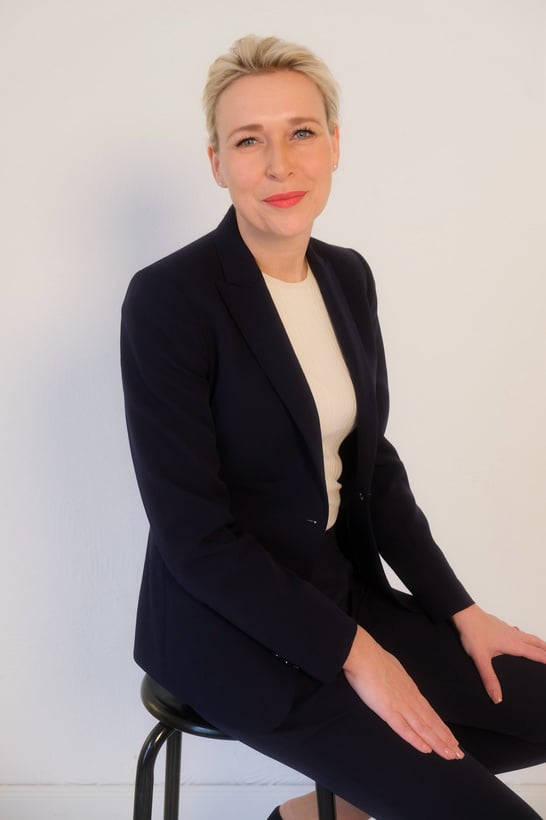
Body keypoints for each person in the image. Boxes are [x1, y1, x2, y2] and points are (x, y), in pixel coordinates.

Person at [121, 35, 546, 819]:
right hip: (231, 631)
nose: (280, 164)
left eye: (301, 132)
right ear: (217, 162)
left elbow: (371, 466)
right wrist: (358, 657)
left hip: (341, 595)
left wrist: (460, 609)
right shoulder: (169, 300)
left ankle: (309, 816)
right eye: (249, 141)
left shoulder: (346, 276)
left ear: (335, 145)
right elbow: (195, 538)